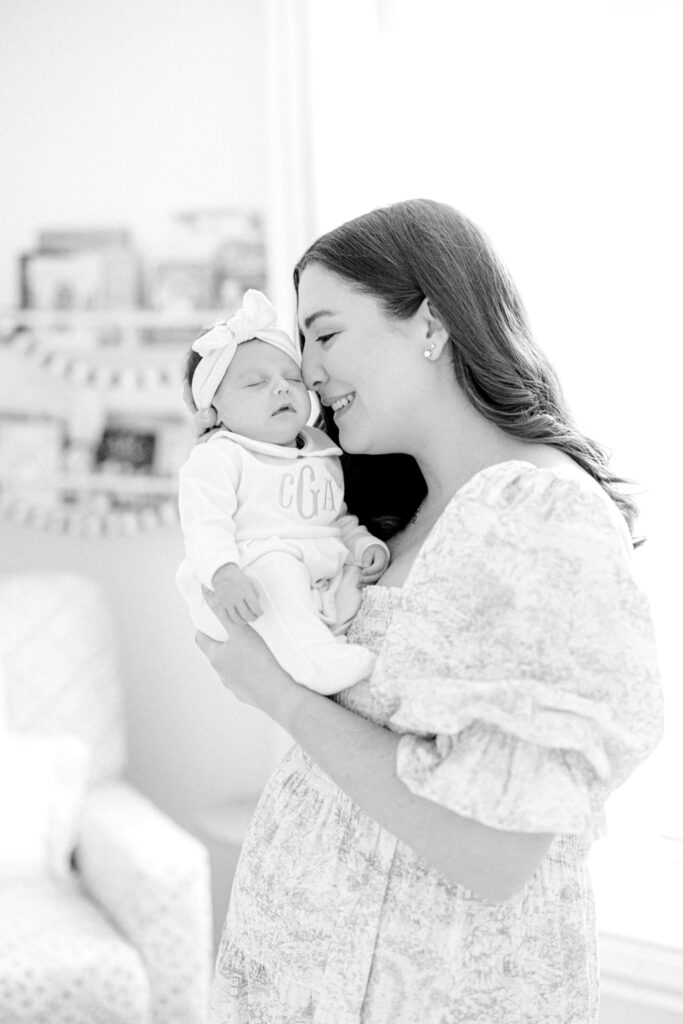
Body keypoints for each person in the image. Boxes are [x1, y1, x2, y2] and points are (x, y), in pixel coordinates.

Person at [192, 200, 663, 1024]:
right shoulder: (392, 513)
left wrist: (277, 696)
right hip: (298, 979)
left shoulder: (537, 514)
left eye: (325, 334)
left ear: (432, 324)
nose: (308, 372)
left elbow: (494, 852)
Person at [176, 288, 389, 694]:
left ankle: (329, 646)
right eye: (256, 383)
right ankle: (318, 665)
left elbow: (334, 516)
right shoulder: (221, 456)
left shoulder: (321, 452)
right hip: (244, 585)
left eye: (291, 378)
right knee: (275, 571)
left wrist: (360, 544)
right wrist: (224, 572)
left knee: (349, 577)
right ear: (215, 412)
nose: (281, 388)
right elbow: (204, 525)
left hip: (314, 571)